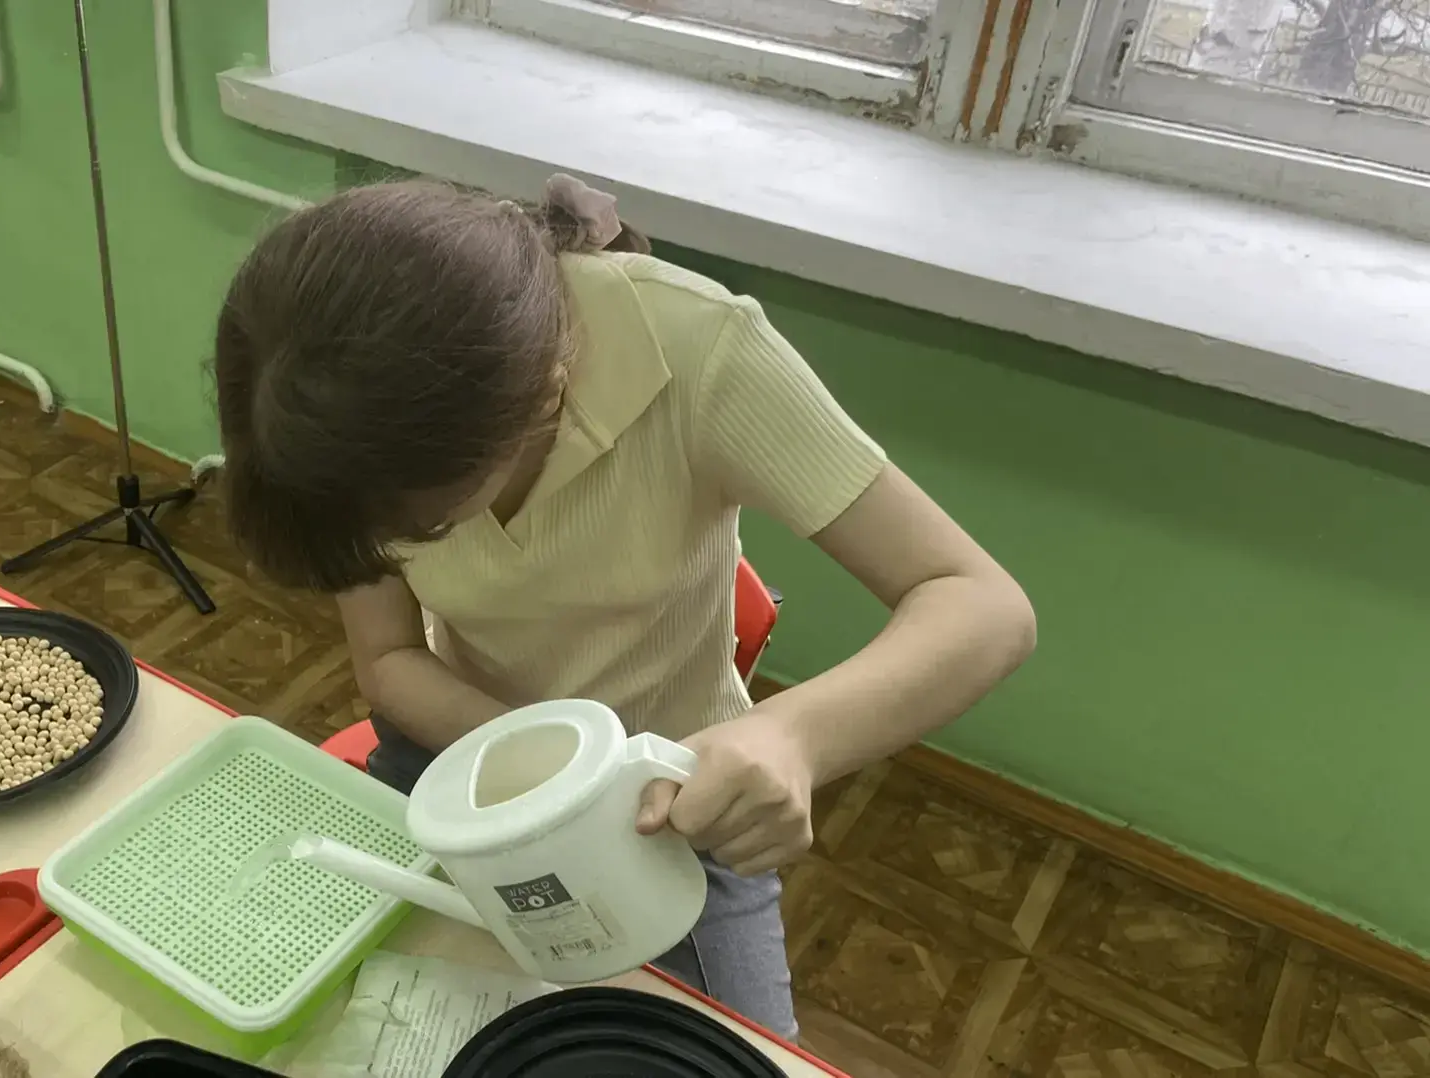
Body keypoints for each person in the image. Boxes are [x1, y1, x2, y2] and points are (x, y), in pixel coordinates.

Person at [209, 175, 1036, 1039]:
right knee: (331, 1021)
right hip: (464, 753)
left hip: (671, 798)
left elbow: (981, 604)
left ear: (541, 400)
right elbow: (388, 659)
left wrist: (792, 736)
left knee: (730, 1055)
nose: (400, 547)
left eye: (424, 529)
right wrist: (540, 775)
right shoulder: (347, 420)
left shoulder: (698, 347)